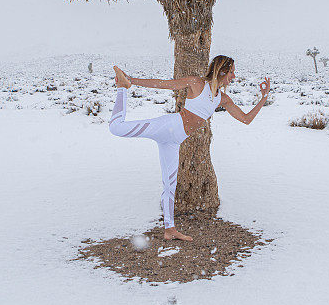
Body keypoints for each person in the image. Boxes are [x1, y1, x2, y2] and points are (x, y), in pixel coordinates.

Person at [109, 55, 271, 241]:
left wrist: (264, 97)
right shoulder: (197, 83)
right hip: (168, 126)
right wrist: (131, 81)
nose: (233, 76)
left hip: (173, 141)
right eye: (232, 71)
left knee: (170, 185)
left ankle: (170, 229)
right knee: (116, 128)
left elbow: (246, 119)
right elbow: (164, 84)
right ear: (222, 70)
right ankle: (122, 88)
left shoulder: (222, 99)